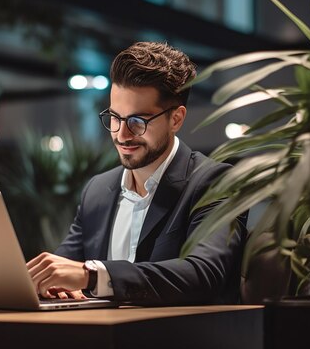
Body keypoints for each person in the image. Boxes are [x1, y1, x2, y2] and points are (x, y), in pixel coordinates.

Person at [27, 41, 247, 306]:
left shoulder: (216, 183)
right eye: (114, 118)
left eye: (137, 121)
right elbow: (62, 271)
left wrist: (94, 275)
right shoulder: (98, 190)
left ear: (176, 119)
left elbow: (203, 274)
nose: (121, 134)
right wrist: (47, 281)